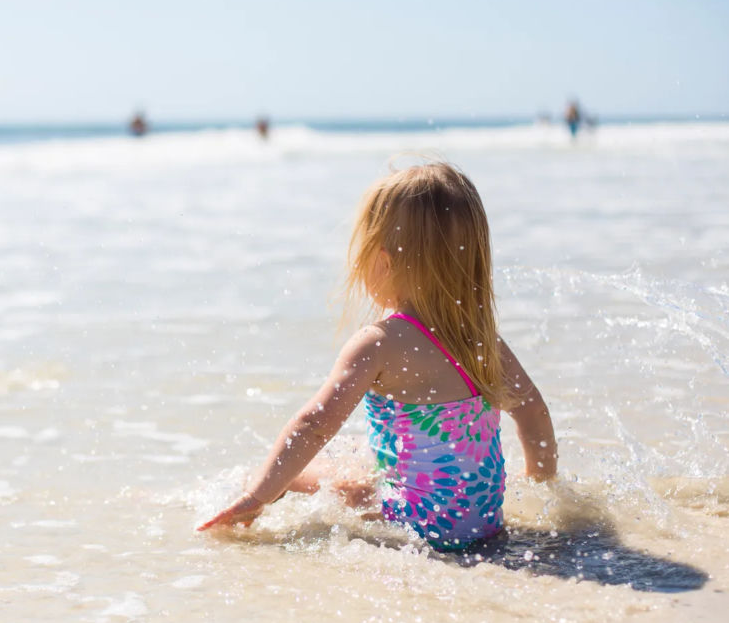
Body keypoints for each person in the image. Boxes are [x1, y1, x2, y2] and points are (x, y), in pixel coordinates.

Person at [198, 162, 558, 551]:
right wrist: (541, 486)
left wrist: (259, 495)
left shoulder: (379, 342)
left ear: (383, 261)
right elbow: (533, 412)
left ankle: (227, 502)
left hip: (417, 527)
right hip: (483, 526)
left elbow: (313, 426)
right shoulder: (484, 341)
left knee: (296, 477)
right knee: (357, 451)